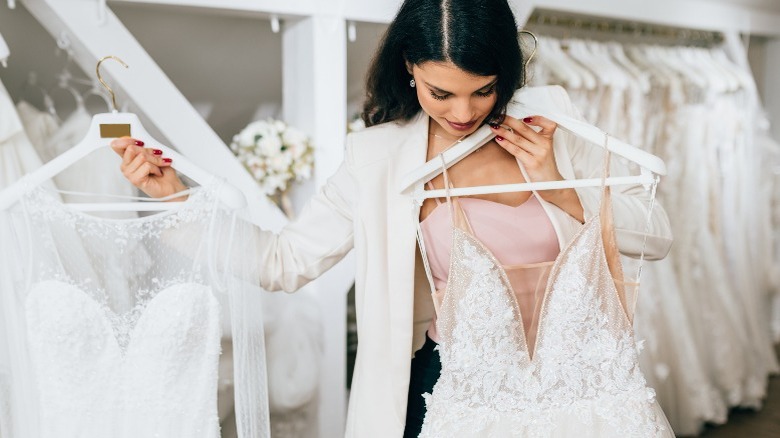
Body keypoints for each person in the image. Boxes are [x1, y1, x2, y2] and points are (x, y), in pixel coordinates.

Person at [111, 0, 673, 436]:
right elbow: (283, 262)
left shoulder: (552, 125)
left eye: (484, 90)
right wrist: (175, 200)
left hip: (576, 390)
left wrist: (562, 186)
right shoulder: (377, 158)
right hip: (450, 389)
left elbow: (655, 237)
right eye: (441, 92)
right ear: (409, 68)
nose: (463, 113)